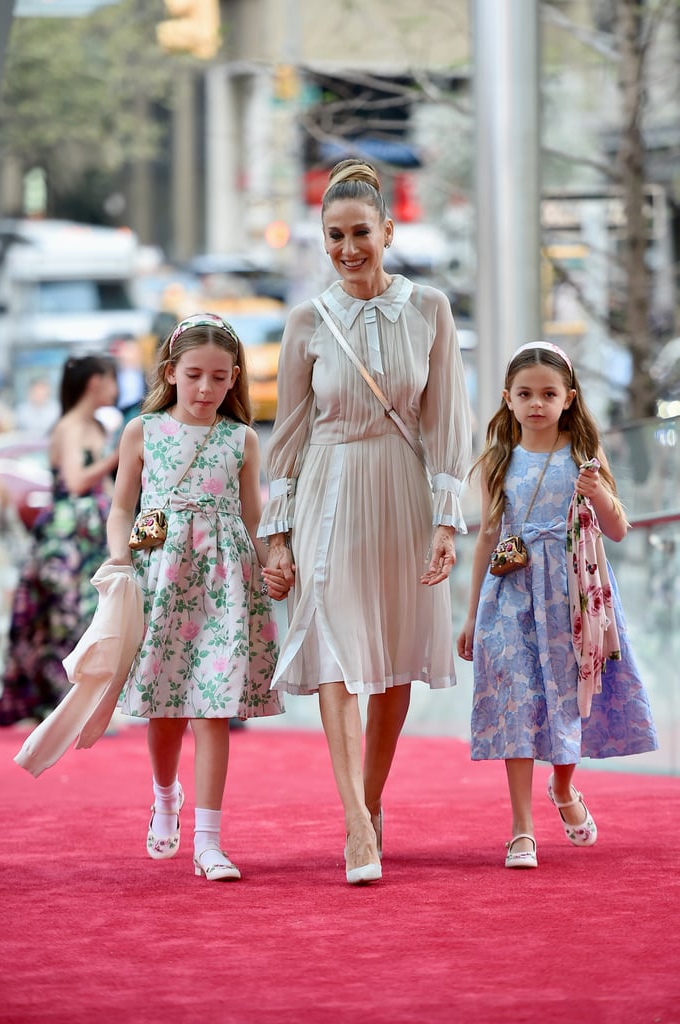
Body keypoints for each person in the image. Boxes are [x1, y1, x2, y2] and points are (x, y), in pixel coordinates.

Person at [258, 159, 473, 885]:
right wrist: (276, 533)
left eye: (361, 233)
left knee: (391, 661)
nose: (348, 248)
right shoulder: (305, 322)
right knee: (338, 652)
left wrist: (447, 523)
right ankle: (354, 822)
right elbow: (286, 435)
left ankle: (372, 802)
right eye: (334, 236)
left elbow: (448, 423)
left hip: (404, 495)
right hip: (330, 487)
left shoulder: (430, 309)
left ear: (388, 230)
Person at [456, 341, 658, 869]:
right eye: (525, 394)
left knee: (571, 702)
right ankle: (521, 830)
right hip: (511, 596)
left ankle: (564, 788)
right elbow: (486, 538)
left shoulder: (582, 456)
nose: (537, 403)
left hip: (573, 596)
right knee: (518, 703)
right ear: (507, 399)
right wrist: (471, 613)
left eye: (549, 393)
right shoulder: (502, 459)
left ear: (569, 398)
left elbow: (616, 530)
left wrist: (598, 493)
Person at [105, 313, 284, 882]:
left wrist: (275, 564)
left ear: (235, 380)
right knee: (165, 710)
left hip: (225, 582)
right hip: (163, 578)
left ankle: (210, 840)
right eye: (194, 376)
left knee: (213, 709)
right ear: (170, 373)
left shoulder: (243, 439)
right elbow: (119, 508)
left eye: (219, 377)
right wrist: (119, 559)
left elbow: (254, 519)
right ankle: (165, 798)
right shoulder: (143, 430)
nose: (206, 389)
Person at [0, 355, 119, 726]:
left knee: (95, 617)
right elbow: (77, 480)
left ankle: (85, 706)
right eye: (111, 380)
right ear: (95, 383)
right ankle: (62, 704)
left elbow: (106, 488)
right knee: (65, 617)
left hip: (94, 532)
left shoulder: (97, 427)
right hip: (65, 534)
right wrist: (116, 458)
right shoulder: (68, 427)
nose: (115, 388)